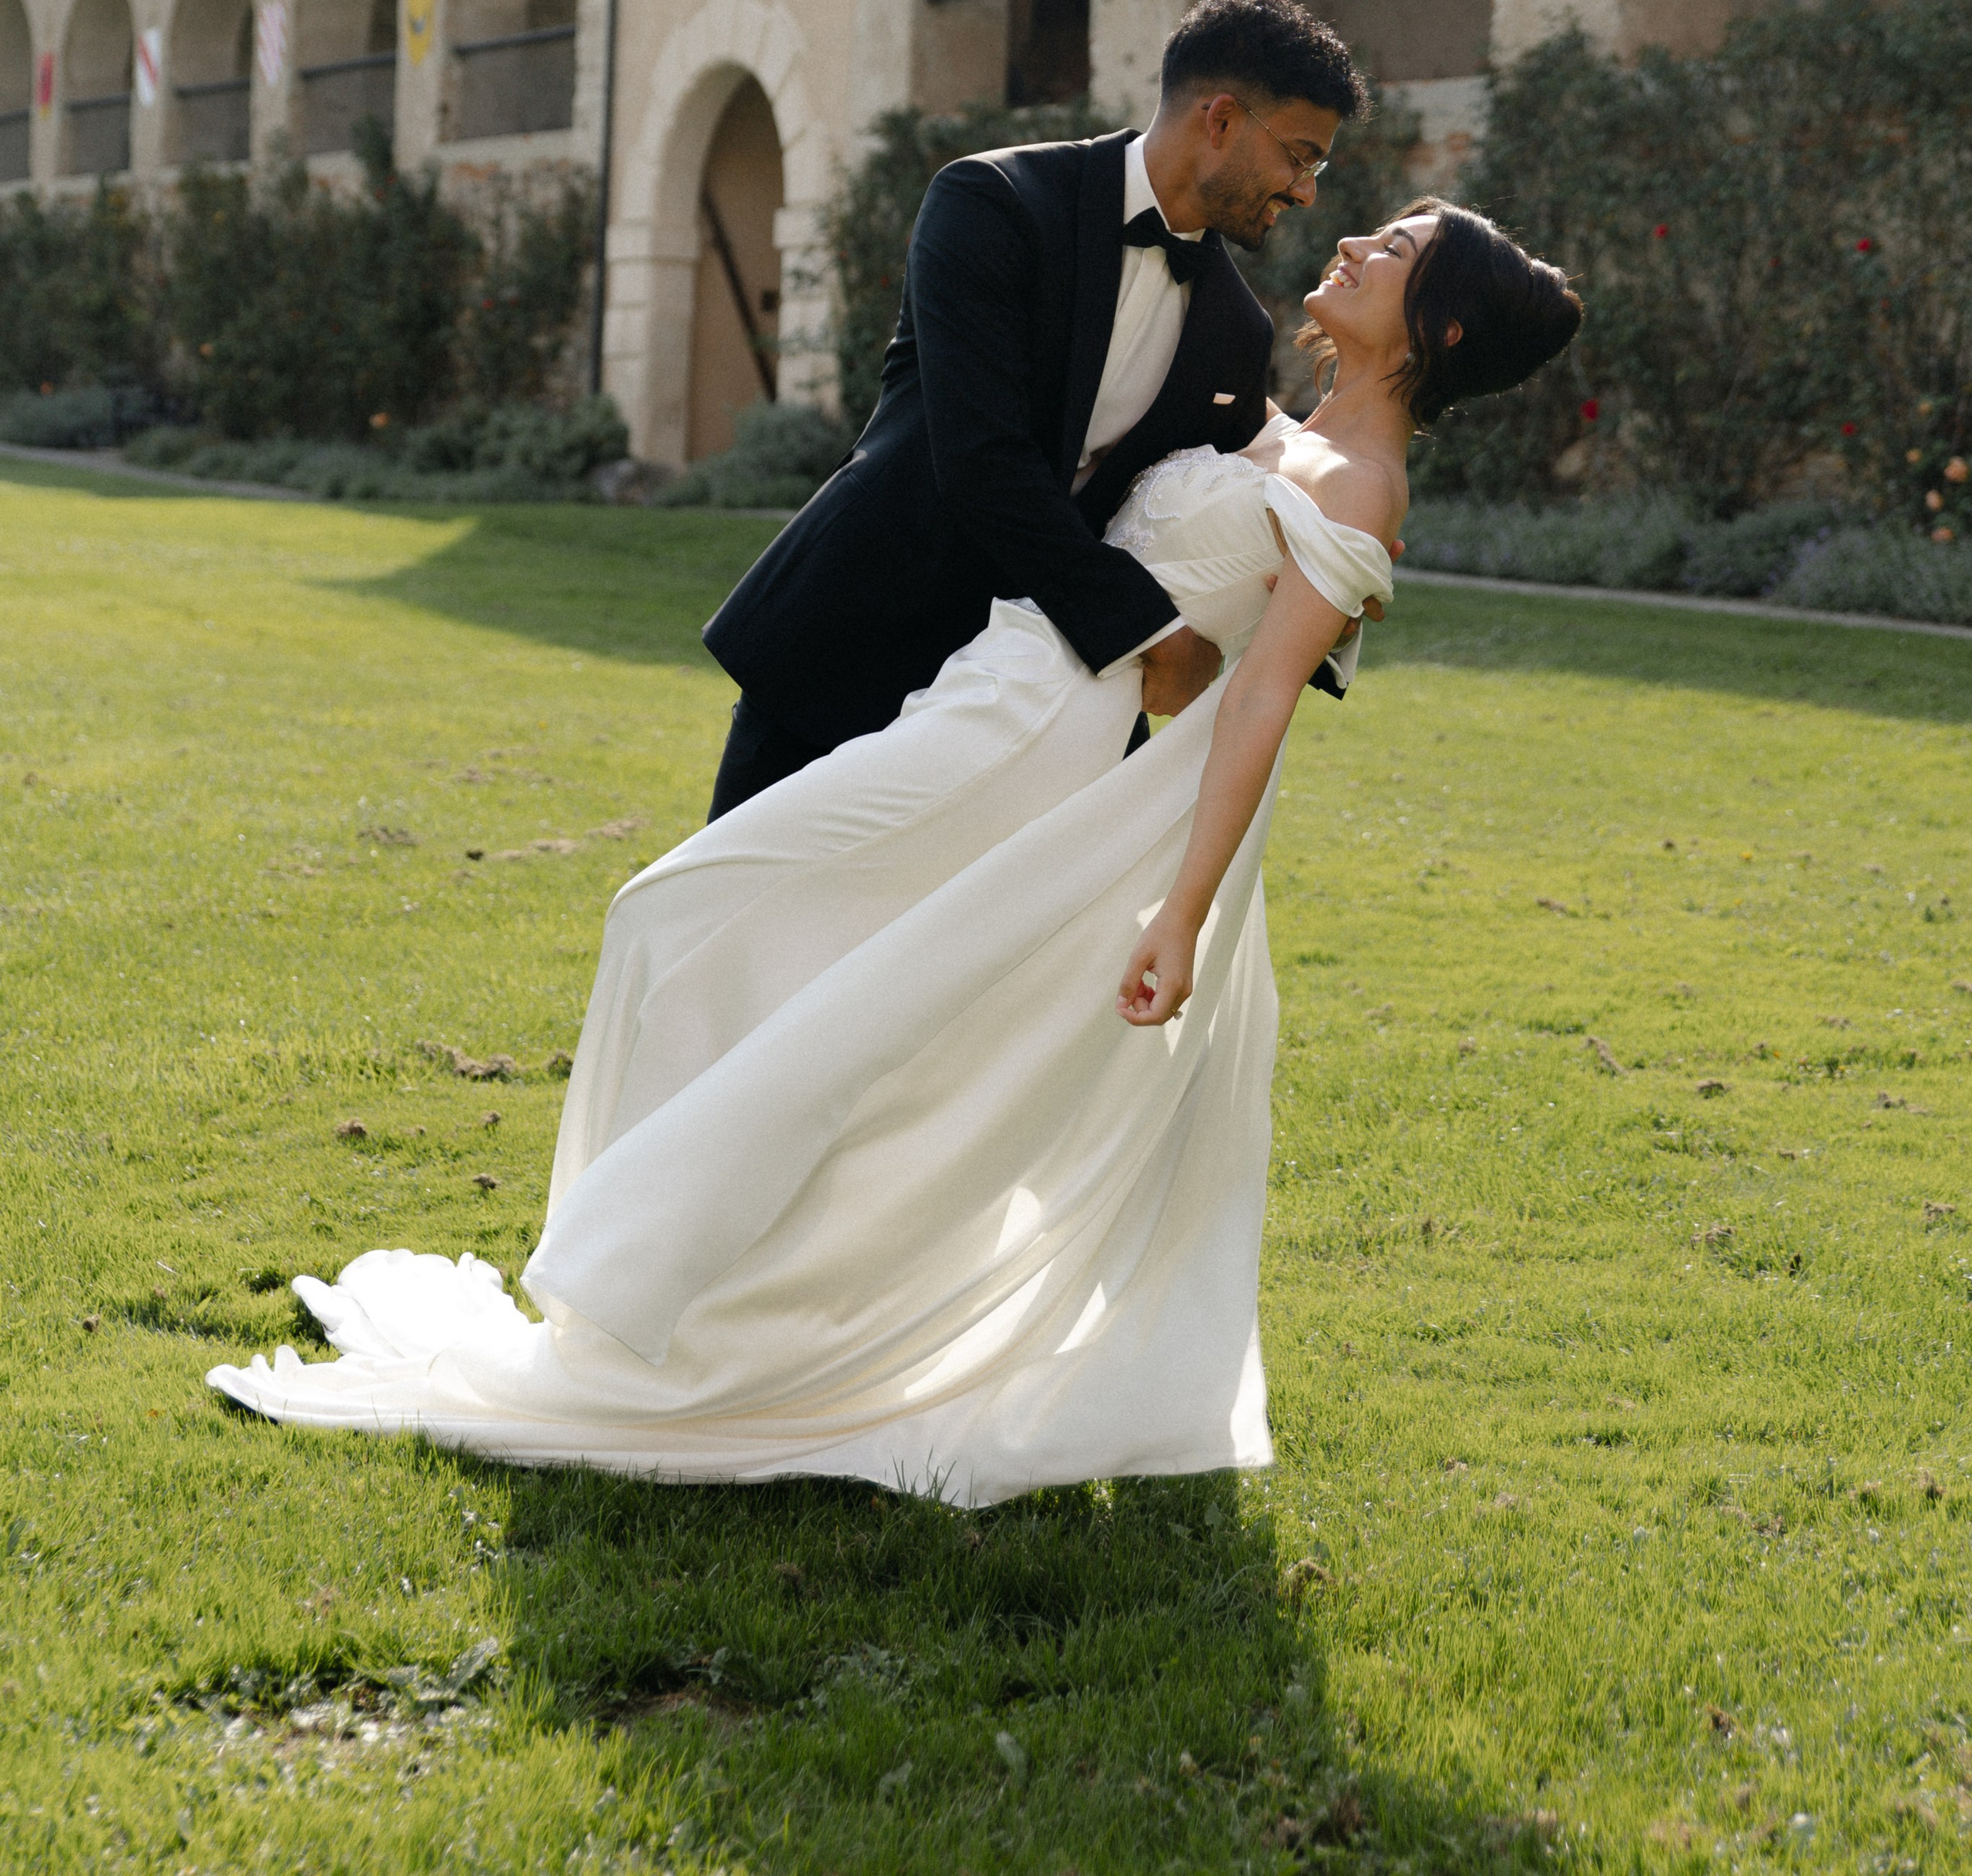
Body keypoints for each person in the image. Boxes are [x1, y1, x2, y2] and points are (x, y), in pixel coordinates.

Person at [210, 193, 1581, 1505]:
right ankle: (693, 1294)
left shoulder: (1363, 486)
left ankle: (672, 1306)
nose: (1351, 238)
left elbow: (1256, 708)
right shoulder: (1270, 422)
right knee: (774, 961)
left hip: (1026, 741)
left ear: (1442, 331)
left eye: (1394, 248)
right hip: (986, 686)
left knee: (699, 914)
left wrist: (1182, 908)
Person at [702, 0, 1371, 817]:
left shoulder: (1235, 329)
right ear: (1222, 120)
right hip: (853, 640)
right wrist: (1147, 632)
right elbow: (982, 460)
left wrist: (1329, 595)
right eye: (1301, 156)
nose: (1306, 190)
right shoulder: (992, 203)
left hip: (1034, 700)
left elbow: (1225, 498)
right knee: (733, 930)